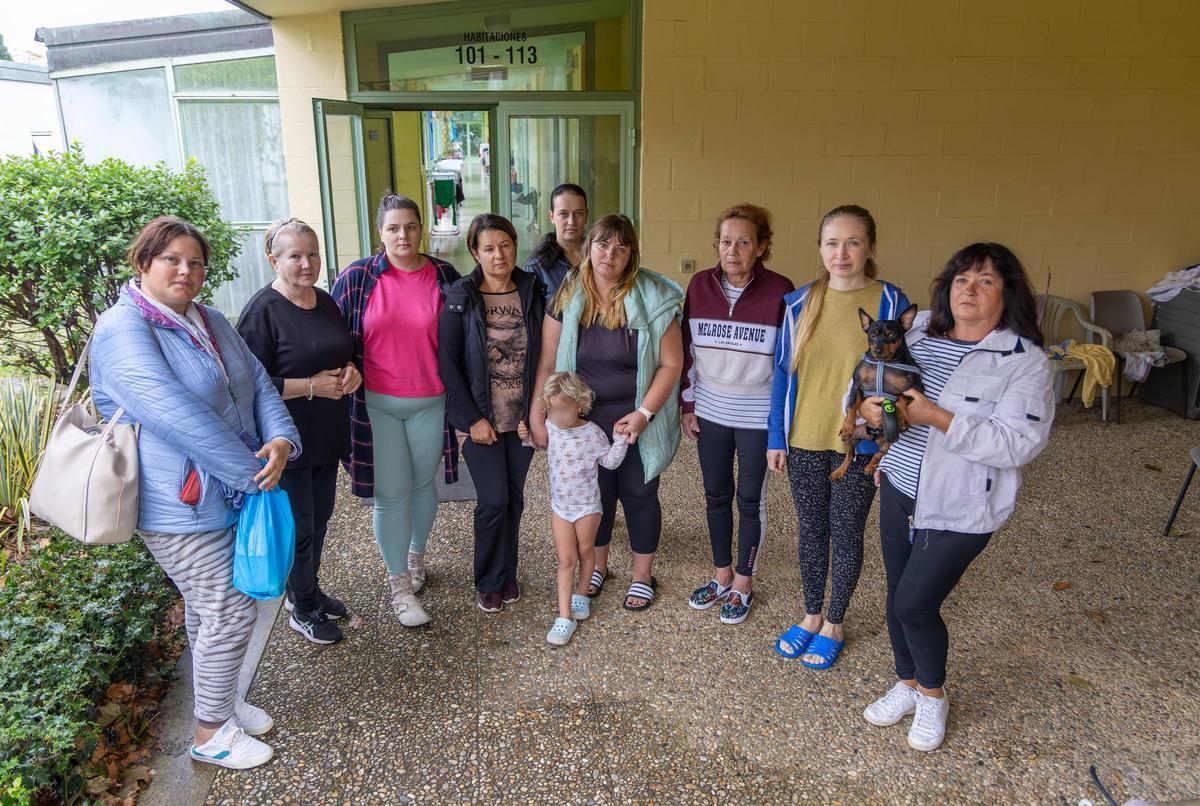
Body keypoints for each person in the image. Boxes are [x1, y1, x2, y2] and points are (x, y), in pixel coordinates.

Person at [90, 216, 299, 769]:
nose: (186, 271)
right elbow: (175, 417)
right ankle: (209, 734)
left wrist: (279, 439)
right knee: (229, 609)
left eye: (196, 262)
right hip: (175, 504)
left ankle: (222, 699)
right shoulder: (123, 329)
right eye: (171, 260)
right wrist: (254, 475)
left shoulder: (206, 318)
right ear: (143, 263)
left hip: (227, 489)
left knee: (211, 610)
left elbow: (256, 381)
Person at [859, 243, 1054, 751]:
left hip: (961, 503)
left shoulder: (1023, 361)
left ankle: (932, 694)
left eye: (986, 280)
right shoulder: (916, 331)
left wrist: (938, 418)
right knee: (895, 595)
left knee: (915, 603)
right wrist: (870, 415)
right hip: (899, 484)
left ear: (1007, 294)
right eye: (961, 278)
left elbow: (1018, 444)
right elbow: (876, 392)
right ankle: (905, 682)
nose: (970, 289)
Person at [767, 205, 912, 669]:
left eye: (852, 242)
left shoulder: (890, 302)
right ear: (820, 248)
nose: (842, 252)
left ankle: (835, 622)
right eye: (832, 243)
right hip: (804, 437)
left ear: (870, 247)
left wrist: (888, 421)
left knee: (846, 531)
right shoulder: (799, 302)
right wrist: (776, 436)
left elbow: (909, 378)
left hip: (861, 443)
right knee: (811, 530)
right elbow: (781, 375)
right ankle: (810, 614)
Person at [529, 214, 684, 611]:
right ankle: (595, 567)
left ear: (631, 254)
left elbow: (670, 364)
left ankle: (642, 575)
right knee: (592, 497)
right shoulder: (567, 295)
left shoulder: (652, 297)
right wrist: (537, 414)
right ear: (588, 247)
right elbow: (548, 363)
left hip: (634, 419)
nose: (609, 254)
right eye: (602, 244)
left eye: (620, 247)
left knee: (639, 493)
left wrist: (644, 414)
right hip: (579, 421)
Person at [332, 192, 461, 628]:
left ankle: (416, 557)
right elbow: (334, 336)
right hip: (377, 404)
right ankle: (399, 586)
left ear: (421, 228)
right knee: (391, 492)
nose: (402, 235)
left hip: (431, 399)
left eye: (410, 226)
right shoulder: (357, 277)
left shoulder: (445, 275)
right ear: (379, 232)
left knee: (424, 484)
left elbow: (464, 337)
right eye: (393, 228)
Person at [237, 218, 360, 646]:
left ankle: (307, 590)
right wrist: (311, 387)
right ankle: (301, 607)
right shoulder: (262, 312)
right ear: (273, 260)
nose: (307, 264)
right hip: (285, 437)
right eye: (295, 256)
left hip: (326, 432)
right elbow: (246, 384)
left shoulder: (324, 301)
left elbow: (341, 351)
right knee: (300, 524)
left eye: (312, 253)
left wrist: (351, 373)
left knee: (320, 519)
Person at [680, 203, 794, 625]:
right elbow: (686, 352)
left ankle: (744, 581)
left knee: (750, 500)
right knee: (715, 496)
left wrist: (779, 428)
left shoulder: (782, 290)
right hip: (710, 411)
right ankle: (721, 575)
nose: (733, 250)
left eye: (744, 242)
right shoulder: (698, 286)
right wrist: (687, 405)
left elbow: (787, 364)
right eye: (726, 241)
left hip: (756, 417)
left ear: (762, 247)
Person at [438, 213, 544, 612]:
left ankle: (507, 574)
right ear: (474, 252)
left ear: (515, 245)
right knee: (494, 499)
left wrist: (535, 412)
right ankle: (487, 579)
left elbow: (543, 356)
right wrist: (471, 419)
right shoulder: (459, 297)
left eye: (505, 245)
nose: (498, 254)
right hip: (480, 419)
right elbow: (448, 364)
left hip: (521, 421)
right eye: (488, 248)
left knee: (514, 499)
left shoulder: (533, 290)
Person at [520, 373, 629, 645]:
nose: (556, 415)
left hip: (587, 507)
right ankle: (564, 616)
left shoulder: (592, 433)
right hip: (561, 508)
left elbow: (610, 462)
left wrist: (620, 439)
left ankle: (582, 594)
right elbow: (538, 443)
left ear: (579, 405)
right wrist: (526, 435)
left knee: (585, 552)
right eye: (552, 408)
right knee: (566, 560)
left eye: (562, 409)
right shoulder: (550, 427)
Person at [522, 183, 588, 303]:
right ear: (552, 216)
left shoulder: (600, 257)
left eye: (578, 213)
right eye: (563, 214)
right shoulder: (536, 266)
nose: (571, 221)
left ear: (586, 216)